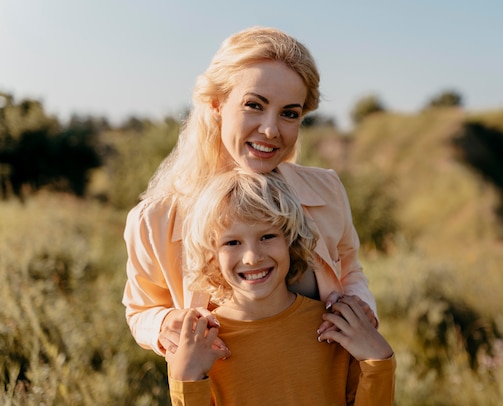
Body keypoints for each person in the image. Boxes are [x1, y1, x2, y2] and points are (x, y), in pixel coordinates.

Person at [122, 26, 378, 356]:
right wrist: (163, 323)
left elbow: (351, 269)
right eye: (254, 105)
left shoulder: (327, 190)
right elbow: (141, 310)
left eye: (289, 113)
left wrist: (359, 305)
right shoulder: (154, 219)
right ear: (216, 104)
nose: (271, 129)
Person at [166, 168, 395, 406]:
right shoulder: (199, 345)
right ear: (211, 255)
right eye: (232, 242)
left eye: (267, 236)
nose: (252, 257)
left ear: (291, 240)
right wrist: (187, 379)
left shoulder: (335, 327)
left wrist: (378, 360)